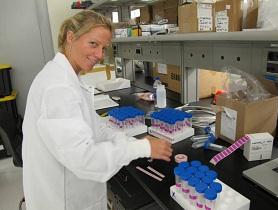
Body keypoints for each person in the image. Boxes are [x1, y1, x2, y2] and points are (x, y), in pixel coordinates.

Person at [22, 10, 173, 210]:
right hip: (64, 200)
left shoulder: (66, 77)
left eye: (104, 48)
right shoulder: (58, 88)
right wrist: (142, 148)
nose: (100, 55)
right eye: (93, 44)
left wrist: (134, 142)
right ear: (70, 36)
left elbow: (96, 127)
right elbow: (85, 159)